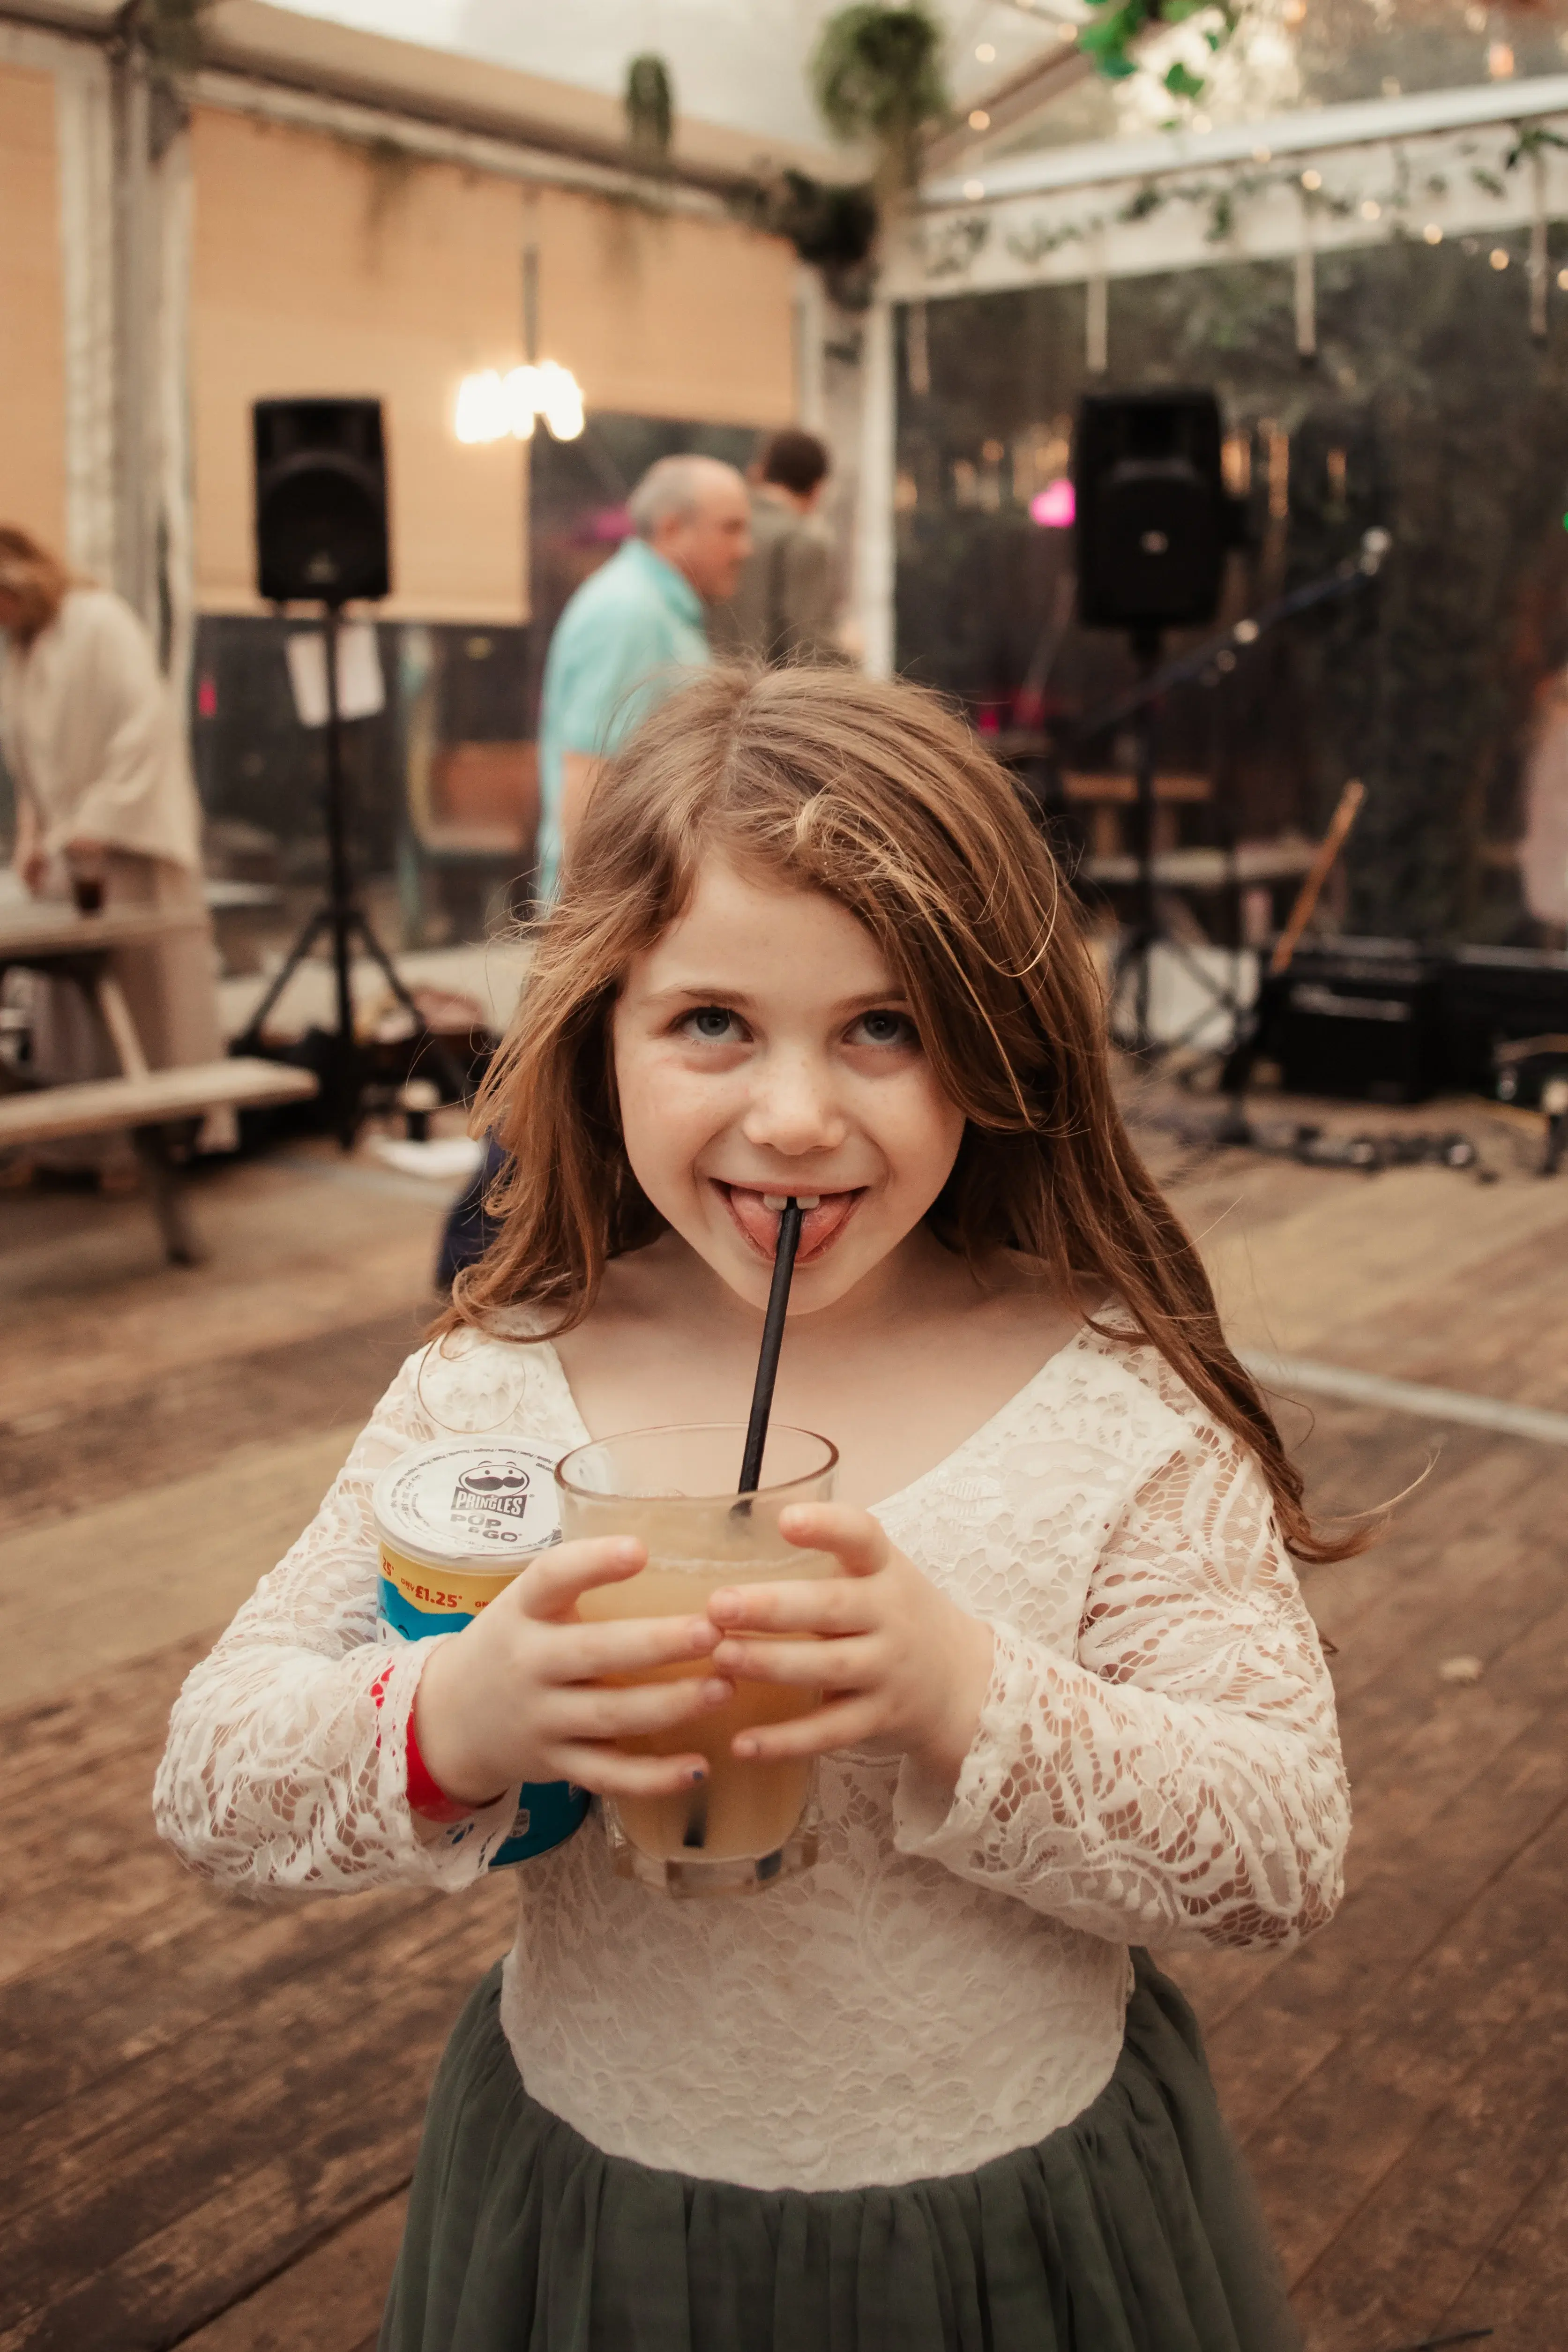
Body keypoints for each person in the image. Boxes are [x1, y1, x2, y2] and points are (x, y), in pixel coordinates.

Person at [156, 666, 1360, 2352]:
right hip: (595, 2224)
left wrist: (965, 1694)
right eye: (712, 1020)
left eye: (883, 1025)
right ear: (605, 1030)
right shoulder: (499, 1387)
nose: (794, 1119)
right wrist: (458, 1712)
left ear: (987, 1044)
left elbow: (1282, 1840)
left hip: (1014, 2237)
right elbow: (212, 1774)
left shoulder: (1103, 1400)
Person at [0, 523, 225, 1159]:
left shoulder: (99, 622)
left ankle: (150, 1148)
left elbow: (143, 730)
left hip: (124, 842)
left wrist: (96, 819)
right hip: (70, 849)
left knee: (139, 1000)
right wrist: (35, 832)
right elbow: (32, 765)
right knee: (74, 1006)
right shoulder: (20, 650)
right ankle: (80, 1146)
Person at [533, 453, 751, 905]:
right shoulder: (630, 612)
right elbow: (588, 771)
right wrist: (587, 924)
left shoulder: (650, 604)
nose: (745, 548)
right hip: (618, 903)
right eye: (730, 528)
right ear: (672, 529)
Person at [710, 426, 845, 669]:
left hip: (712, 690)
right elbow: (810, 645)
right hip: (769, 698)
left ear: (762, 472)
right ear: (817, 489)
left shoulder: (720, 529)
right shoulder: (803, 542)